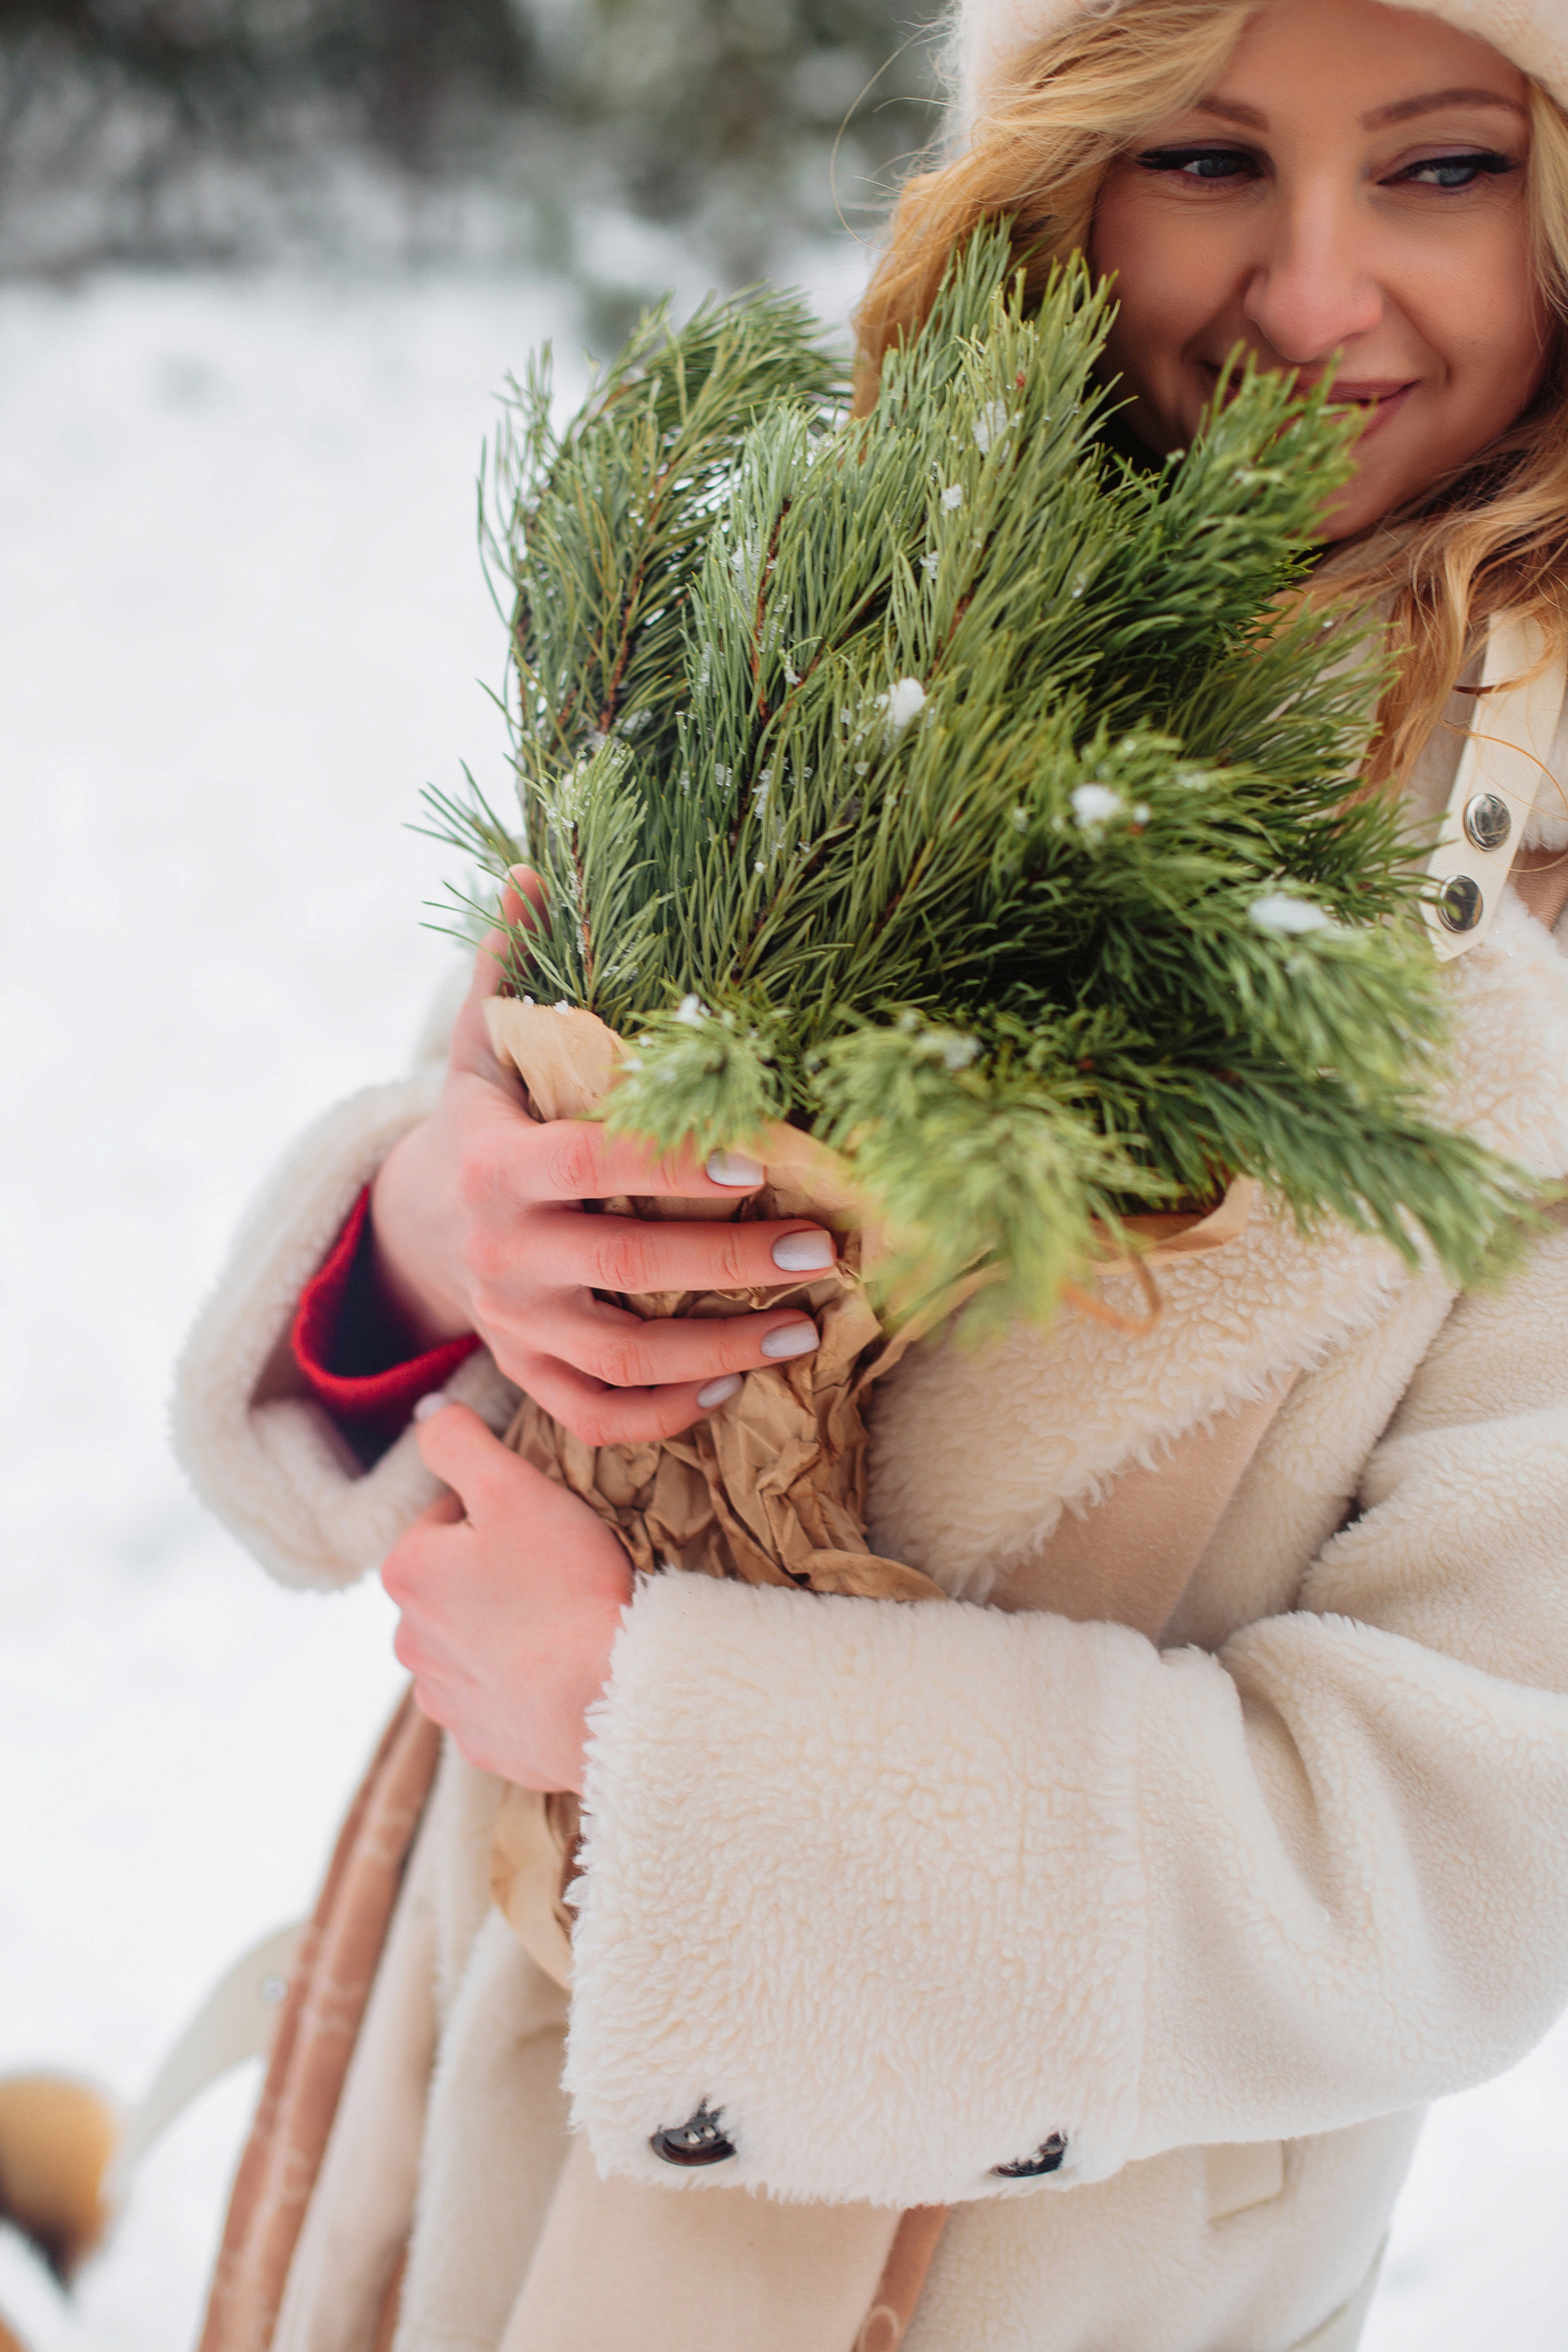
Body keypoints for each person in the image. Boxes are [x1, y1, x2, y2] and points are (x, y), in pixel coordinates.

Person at [174, 2, 1568, 2346]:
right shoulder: (838, 649)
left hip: (1027, 2264)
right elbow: (439, 1260)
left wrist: (674, 1737)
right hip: (485, 2132)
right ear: (1060, 173)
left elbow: (1462, 1850)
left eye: (1440, 169)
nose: (1318, 294)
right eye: (1211, 163)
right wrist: (446, 1236)